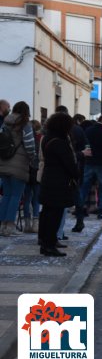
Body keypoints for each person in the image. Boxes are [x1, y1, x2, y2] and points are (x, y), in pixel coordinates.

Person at [38, 112, 78, 256]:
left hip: (48, 178)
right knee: (54, 214)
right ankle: (49, 244)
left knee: (47, 212)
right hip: (59, 181)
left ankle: (45, 240)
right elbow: (69, 163)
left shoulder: (47, 138)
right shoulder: (60, 142)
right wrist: (77, 174)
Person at [0, 101, 36, 236]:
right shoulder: (25, 124)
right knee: (15, 196)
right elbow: (30, 145)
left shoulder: (5, 122)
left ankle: (2, 225)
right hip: (19, 164)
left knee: (6, 195)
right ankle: (10, 226)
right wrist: (32, 158)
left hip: (4, 163)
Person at [78, 114, 102, 221]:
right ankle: (101, 212)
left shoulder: (89, 130)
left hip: (89, 162)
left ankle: (80, 209)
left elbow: (84, 144)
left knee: (84, 187)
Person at [22, 120, 42, 233]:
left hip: (26, 170)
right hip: (37, 171)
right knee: (36, 199)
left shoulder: (25, 139)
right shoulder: (40, 139)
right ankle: (35, 224)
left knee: (27, 198)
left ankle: (27, 223)